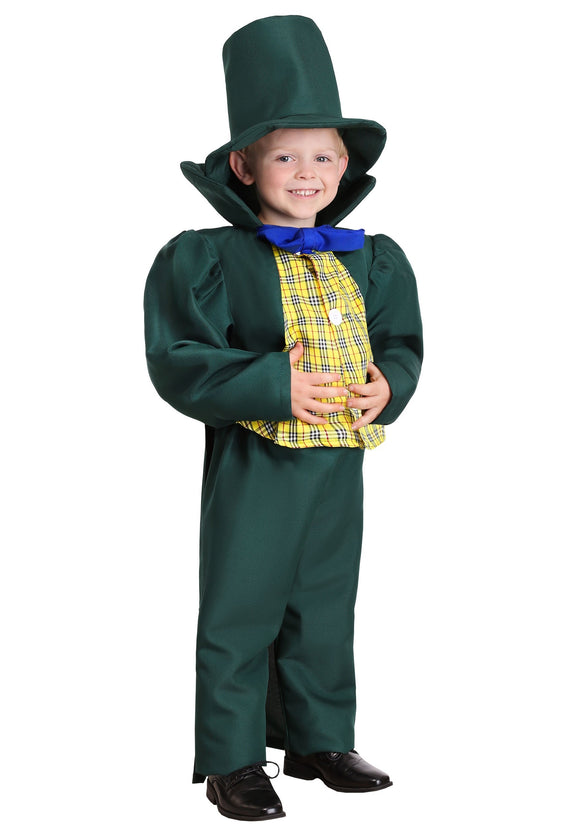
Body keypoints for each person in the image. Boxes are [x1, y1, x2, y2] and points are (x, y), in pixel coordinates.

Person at [144, 15, 423, 822]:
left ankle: (319, 737)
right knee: (242, 605)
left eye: (324, 156)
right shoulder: (206, 256)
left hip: (341, 457)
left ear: (346, 165)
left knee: (325, 602)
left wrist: (389, 385)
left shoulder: (372, 256)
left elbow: (400, 343)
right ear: (244, 164)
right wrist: (271, 382)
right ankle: (232, 757)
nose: (308, 172)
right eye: (285, 156)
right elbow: (178, 357)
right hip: (258, 457)